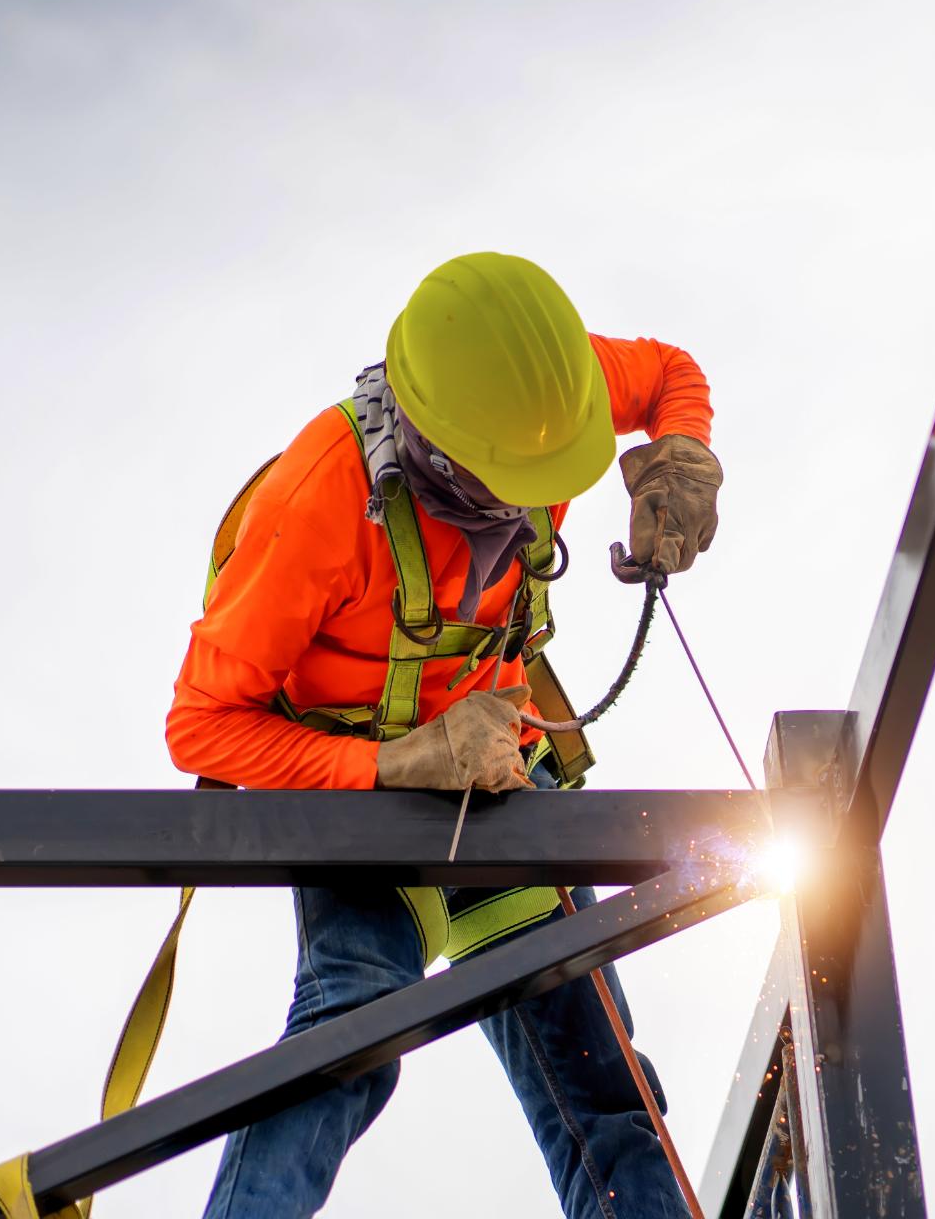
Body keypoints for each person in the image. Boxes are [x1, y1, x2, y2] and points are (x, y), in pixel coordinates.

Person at [166, 251, 722, 1218]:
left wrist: (681, 457)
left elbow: (672, 371)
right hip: (359, 802)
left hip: (503, 783)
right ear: (445, 447)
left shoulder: (544, 397)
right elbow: (201, 726)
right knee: (348, 1038)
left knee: (608, 1100)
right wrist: (395, 762)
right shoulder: (318, 504)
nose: (533, 499)